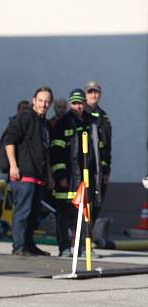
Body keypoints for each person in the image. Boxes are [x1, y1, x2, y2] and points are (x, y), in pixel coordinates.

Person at [2, 86, 54, 257]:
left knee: (33, 214)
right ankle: (19, 246)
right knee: (23, 211)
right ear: (34, 100)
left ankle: (29, 244)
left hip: (39, 175)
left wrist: (49, 176)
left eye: (47, 101)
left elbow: (46, 151)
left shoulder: (45, 123)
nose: (43, 104)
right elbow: (9, 140)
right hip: (24, 174)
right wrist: (13, 166)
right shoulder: (25, 117)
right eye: (40, 100)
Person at [50, 89, 97, 257]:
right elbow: (56, 152)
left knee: (85, 213)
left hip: (85, 178)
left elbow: (95, 153)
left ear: (84, 104)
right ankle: (64, 248)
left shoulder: (90, 122)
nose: (78, 106)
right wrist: (61, 175)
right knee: (64, 213)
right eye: (75, 103)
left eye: (80, 103)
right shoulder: (63, 123)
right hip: (68, 178)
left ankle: (85, 248)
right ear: (71, 104)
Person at [83, 80, 112, 221]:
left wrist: (106, 170)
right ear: (85, 94)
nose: (93, 95)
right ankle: (81, 239)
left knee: (96, 204)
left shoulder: (103, 116)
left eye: (96, 92)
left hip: (100, 169)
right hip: (85, 167)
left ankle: (88, 238)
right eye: (90, 92)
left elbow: (107, 146)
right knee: (84, 204)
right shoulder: (81, 114)